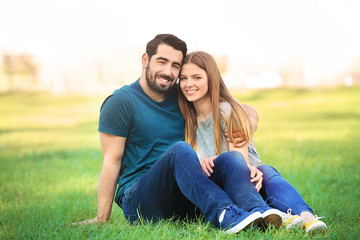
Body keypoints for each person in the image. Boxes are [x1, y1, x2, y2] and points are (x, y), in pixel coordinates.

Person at [73, 34, 284, 234]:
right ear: (145, 59)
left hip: (185, 192)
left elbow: (232, 105)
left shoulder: (183, 94)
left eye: (175, 66)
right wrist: (102, 217)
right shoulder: (121, 102)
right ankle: (225, 214)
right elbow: (112, 160)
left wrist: (250, 121)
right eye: (162, 62)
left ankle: (264, 213)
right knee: (179, 150)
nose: (168, 71)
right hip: (139, 198)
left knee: (230, 160)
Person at [177, 51, 328, 233]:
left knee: (265, 170)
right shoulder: (185, 120)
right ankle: (282, 216)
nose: (188, 84)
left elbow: (241, 166)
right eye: (183, 78)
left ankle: (307, 218)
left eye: (197, 77)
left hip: (252, 181)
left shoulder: (229, 111)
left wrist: (216, 160)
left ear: (212, 79)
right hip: (218, 189)